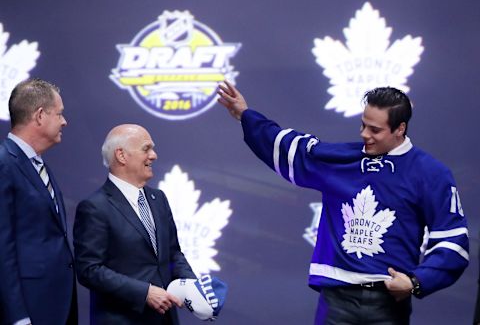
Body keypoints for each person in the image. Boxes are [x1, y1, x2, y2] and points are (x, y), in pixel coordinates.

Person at [217, 81, 469, 324]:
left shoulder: (431, 173)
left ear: (400, 129)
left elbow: (453, 240)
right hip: (336, 299)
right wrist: (245, 115)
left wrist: (416, 281)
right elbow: (289, 146)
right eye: (363, 125)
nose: (364, 135)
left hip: (390, 303)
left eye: (375, 130)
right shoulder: (342, 160)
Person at [73, 124, 196, 324]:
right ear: (121, 155)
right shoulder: (95, 207)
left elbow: (174, 253)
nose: (154, 155)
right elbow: (89, 270)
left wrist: (192, 285)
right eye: (146, 149)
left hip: (165, 320)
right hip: (122, 319)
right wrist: (144, 292)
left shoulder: (159, 198)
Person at [0, 79, 77, 325]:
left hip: (55, 307)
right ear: (40, 115)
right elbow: (2, 247)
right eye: (60, 114)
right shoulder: (4, 163)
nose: (64, 121)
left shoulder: (38, 165)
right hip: (27, 310)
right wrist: (17, 316)